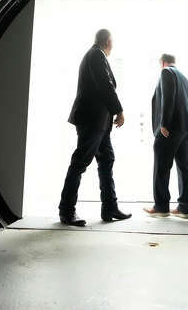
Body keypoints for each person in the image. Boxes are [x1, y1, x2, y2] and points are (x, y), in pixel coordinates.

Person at [58, 29, 133, 226]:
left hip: (100, 122)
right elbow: (105, 85)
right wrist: (119, 110)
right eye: (113, 42)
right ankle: (66, 211)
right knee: (80, 163)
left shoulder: (94, 55)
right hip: (92, 120)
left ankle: (109, 207)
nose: (112, 46)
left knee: (107, 159)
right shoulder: (96, 55)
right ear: (108, 41)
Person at [144, 53, 188, 219]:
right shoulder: (185, 78)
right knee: (184, 166)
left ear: (162, 62)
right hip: (186, 128)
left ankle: (161, 207)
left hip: (171, 127)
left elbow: (168, 96)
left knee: (161, 165)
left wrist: (164, 123)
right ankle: (185, 208)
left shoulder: (166, 72)